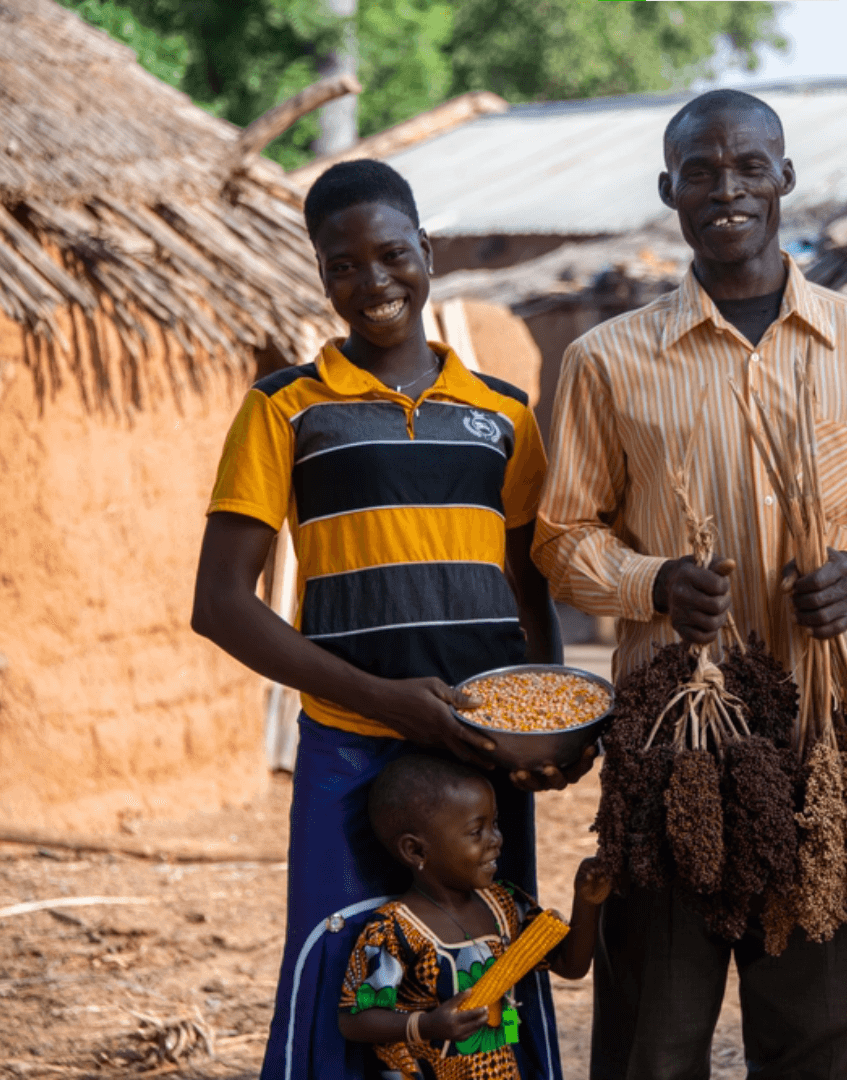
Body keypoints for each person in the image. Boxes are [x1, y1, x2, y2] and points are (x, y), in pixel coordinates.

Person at [532, 89, 847, 1080]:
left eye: (748, 167)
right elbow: (561, 539)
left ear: (785, 178)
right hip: (676, 740)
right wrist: (652, 584)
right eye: (703, 172)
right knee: (653, 1045)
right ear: (668, 189)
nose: (727, 189)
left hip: (832, 740)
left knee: (812, 1046)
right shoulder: (606, 361)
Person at [191, 160, 588, 1080]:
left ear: (427, 252)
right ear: (320, 275)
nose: (372, 282)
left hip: (483, 756)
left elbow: (529, 594)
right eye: (342, 265)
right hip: (350, 743)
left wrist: (550, 728)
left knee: (490, 967)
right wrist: (386, 700)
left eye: (391, 254)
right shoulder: (284, 409)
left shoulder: (504, 415)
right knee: (340, 972)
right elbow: (218, 606)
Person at [339, 755, 609, 1080]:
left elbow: (570, 965)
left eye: (494, 824)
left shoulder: (504, 905)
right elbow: (355, 1019)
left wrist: (587, 903)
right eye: (475, 832)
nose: (495, 840)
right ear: (416, 851)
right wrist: (425, 1025)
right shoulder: (394, 930)